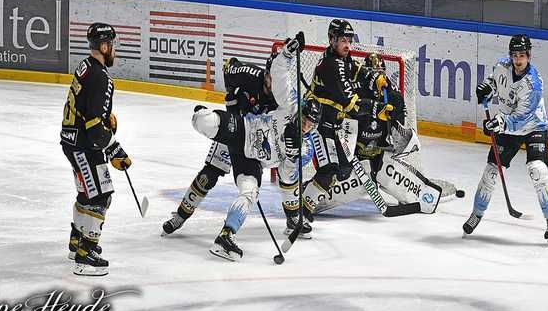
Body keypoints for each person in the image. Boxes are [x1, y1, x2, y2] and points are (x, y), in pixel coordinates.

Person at [189, 33, 321, 261]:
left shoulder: (306, 148)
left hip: (252, 160)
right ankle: (201, 113)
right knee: (204, 121)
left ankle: (226, 236)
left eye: (311, 125)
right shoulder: (290, 104)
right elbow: (279, 73)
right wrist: (288, 52)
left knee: (249, 192)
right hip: (244, 130)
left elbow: (287, 179)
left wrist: (291, 154)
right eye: (306, 120)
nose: (306, 126)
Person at [310, 52, 444, 214]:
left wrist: (398, 134)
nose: (377, 76)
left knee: (389, 172)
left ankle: (421, 194)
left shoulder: (394, 97)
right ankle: (310, 199)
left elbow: (400, 136)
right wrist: (348, 159)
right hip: (355, 157)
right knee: (346, 176)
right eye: (374, 73)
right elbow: (343, 129)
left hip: (379, 154)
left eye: (381, 72)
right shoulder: (353, 96)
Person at [161, 56, 278, 236]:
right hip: (233, 129)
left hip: (253, 142)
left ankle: (293, 216)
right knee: (207, 176)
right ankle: (180, 216)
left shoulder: (283, 97)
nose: (275, 82)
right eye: (272, 76)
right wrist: (232, 95)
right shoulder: (251, 74)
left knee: (249, 185)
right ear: (267, 73)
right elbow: (229, 65)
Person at [462, 34, 548, 246]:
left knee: (538, 171)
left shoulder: (533, 84)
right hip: (506, 123)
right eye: (514, 55)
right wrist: (487, 88)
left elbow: (521, 118)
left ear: (529, 56)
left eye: (522, 55)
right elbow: (495, 83)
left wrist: (498, 123)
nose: (518, 60)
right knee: (491, 172)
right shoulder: (501, 66)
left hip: (533, 127)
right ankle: (477, 214)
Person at [299, 19, 395, 218]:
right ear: (331, 39)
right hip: (314, 125)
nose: (347, 45)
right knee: (329, 170)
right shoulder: (331, 66)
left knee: (342, 170)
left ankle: (305, 196)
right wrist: (377, 107)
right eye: (343, 40)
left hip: (331, 125)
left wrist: (375, 78)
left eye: (349, 40)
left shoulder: (341, 58)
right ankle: (300, 212)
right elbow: (353, 106)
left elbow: (356, 70)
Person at [60, 23, 132, 276]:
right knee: (101, 196)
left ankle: (76, 242)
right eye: (112, 45)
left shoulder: (86, 66)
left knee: (86, 193)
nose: (114, 50)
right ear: (103, 46)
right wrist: (115, 149)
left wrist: (104, 120)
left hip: (71, 140)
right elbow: (94, 129)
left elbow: (88, 109)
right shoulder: (102, 77)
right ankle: (85, 255)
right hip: (84, 145)